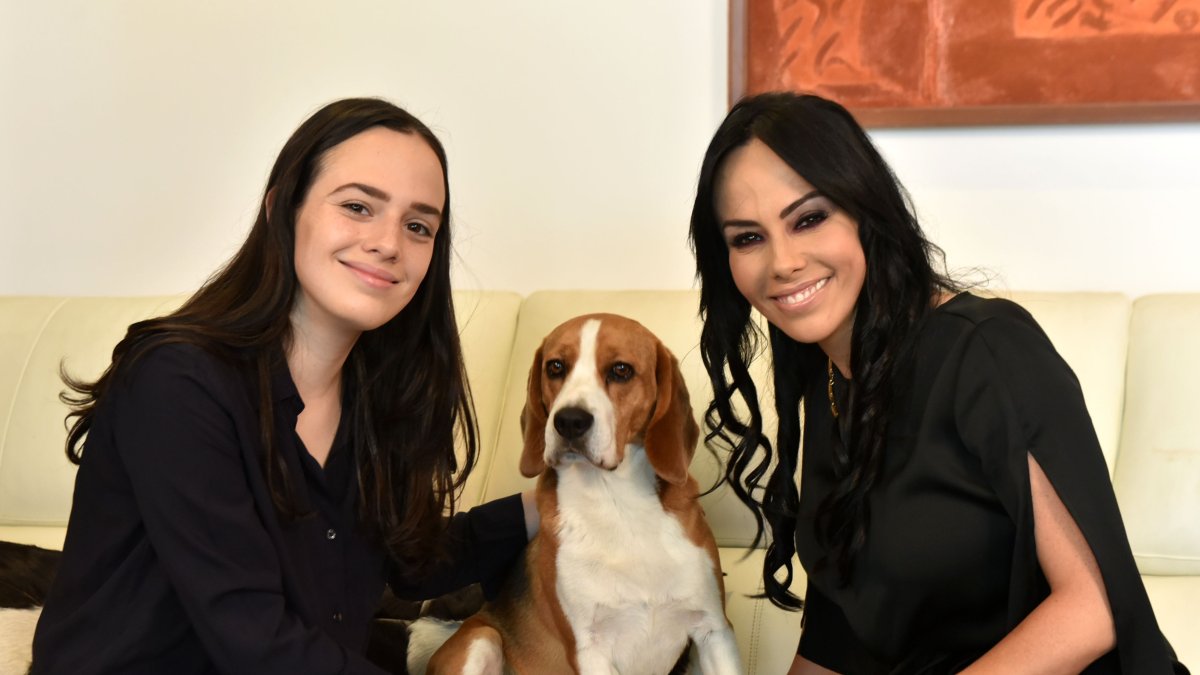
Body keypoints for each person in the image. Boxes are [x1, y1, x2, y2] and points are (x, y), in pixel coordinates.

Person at [31, 98, 536, 674]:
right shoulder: (177, 382)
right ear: (281, 208)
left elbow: (412, 558)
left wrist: (547, 505)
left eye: (418, 226)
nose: (390, 243)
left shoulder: (376, 400)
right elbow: (253, 637)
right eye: (357, 206)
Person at [688, 92, 1188, 673]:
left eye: (809, 218)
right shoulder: (825, 376)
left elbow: (1093, 609)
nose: (783, 262)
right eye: (748, 238)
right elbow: (841, 631)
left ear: (863, 211)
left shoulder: (987, 349)